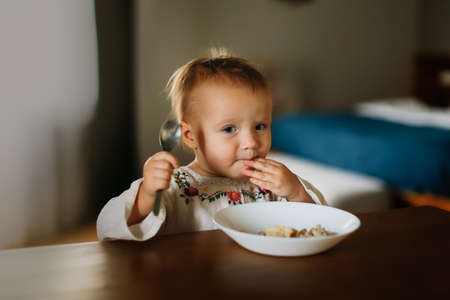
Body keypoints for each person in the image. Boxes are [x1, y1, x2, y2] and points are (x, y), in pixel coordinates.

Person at [97, 48, 327, 241]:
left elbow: (321, 225)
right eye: (229, 129)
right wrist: (147, 196)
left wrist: (296, 192)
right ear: (190, 136)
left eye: (260, 126)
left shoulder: (273, 184)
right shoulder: (175, 187)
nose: (250, 142)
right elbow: (107, 229)